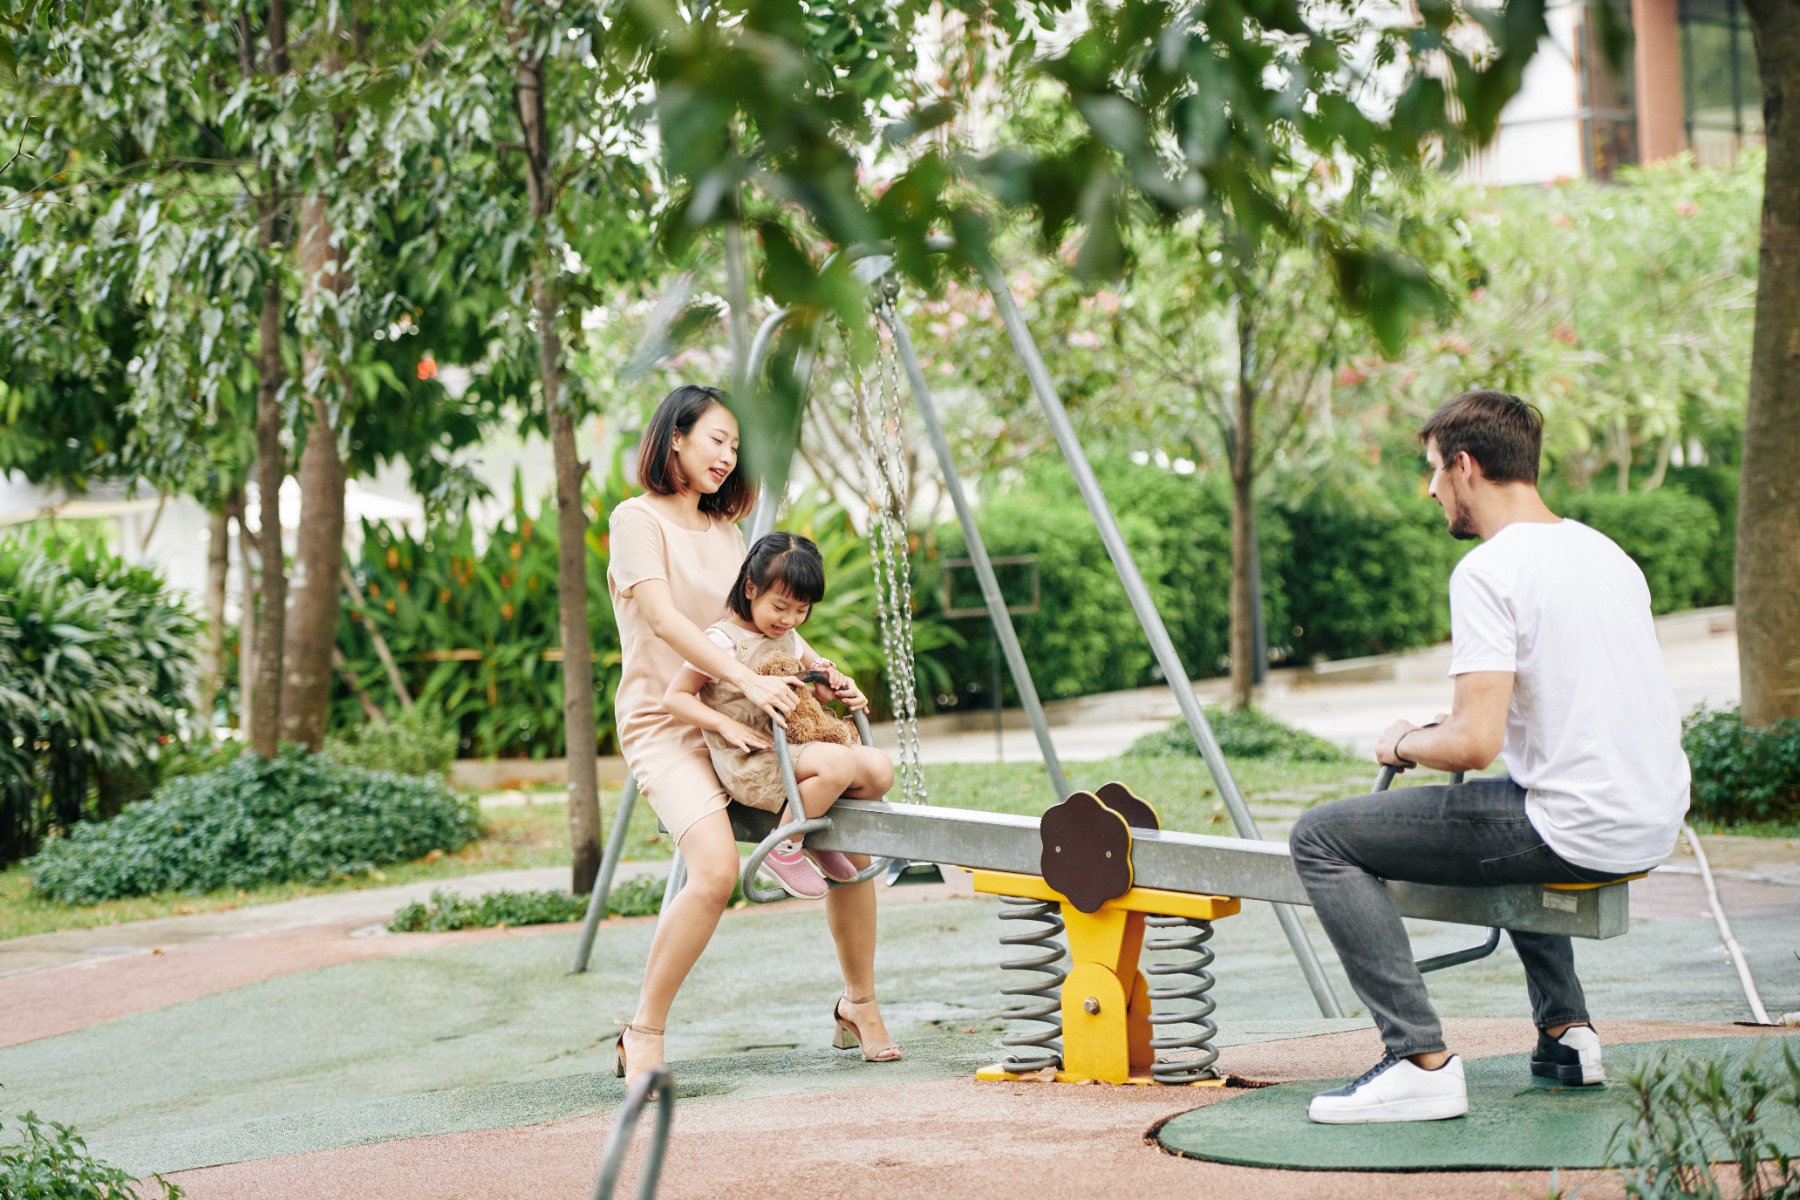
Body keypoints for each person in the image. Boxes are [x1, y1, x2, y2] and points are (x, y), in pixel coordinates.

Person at [1289, 390, 1689, 1125]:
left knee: (1320, 836)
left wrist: (1403, 739)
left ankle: (1417, 1061)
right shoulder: (1606, 554)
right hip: (1650, 818)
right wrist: (1448, 727)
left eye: (1432, 473)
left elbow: (1474, 743)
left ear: (1465, 467)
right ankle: (1568, 1034)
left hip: (1577, 824)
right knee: (1508, 806)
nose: (1432, 491)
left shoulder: (1489, 569)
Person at [607, 385, 901, 1087]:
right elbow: (666, 622)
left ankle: (859, 1003)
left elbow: (768, 625)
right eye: (717, 438)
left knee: (851, 846)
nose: (729, 454)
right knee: (711, 872)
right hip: (671, 722)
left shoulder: (728, 534)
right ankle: (642, 1030)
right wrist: (746, 682)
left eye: (735, 445)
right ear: (675, 436)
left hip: (751, 723)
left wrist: (822, 674)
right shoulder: (635, 520)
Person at [662, 531, 896, 902]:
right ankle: (782, 849)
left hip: (796, 749)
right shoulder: (723, 641)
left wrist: (834, 683)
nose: (789, 619)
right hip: (754, 757)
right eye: (781, 606)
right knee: (836, 763)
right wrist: (725, 723)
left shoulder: (790, 636)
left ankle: (810, 836)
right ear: (751, 588)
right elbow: (675, 697)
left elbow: (815, 686)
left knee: (879, 769)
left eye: (801, 611)